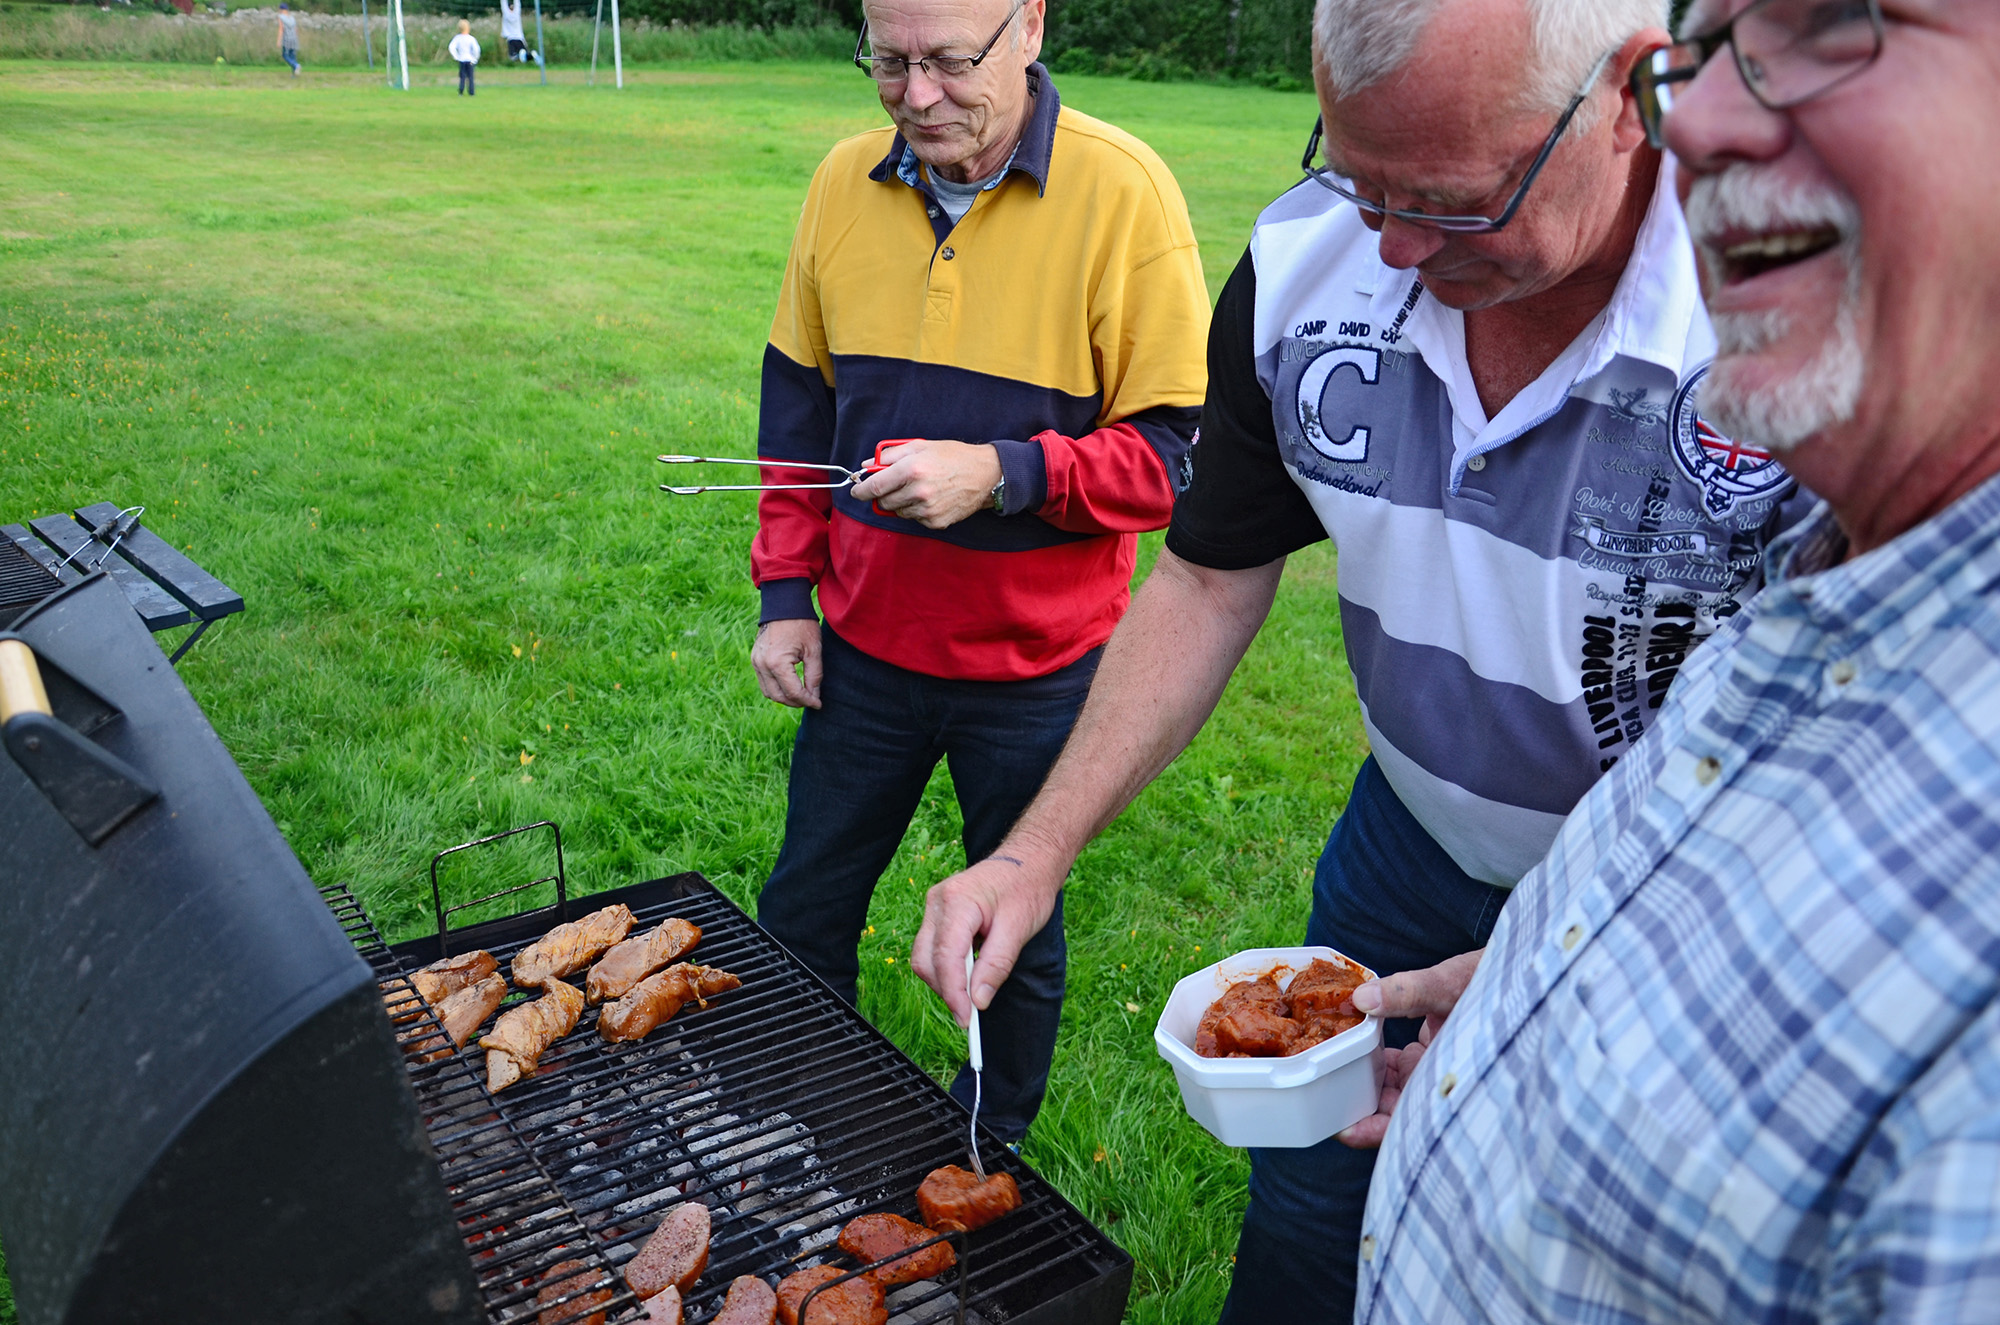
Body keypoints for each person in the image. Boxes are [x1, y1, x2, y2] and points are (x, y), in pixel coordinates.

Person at [909, 0, 1812, 1315]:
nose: (1390, 245)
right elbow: (1208, 576)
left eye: (1450, 201)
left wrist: (1593, 950)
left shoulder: (1791, 316)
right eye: (1354, 175)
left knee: (1588, 1251)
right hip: (1407, 853)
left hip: (1688, 903)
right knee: (1312, 1204)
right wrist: (1033, 851)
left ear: (1631, 95)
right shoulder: (1302, 269)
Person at [1347, 1, 2000, 1319]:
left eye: (1833, 21)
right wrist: (1549, 997)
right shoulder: (1835, 580)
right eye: (1708, 49)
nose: (1691, 125)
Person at [750, 0, 1208, 1144]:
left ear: (1028, 28)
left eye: (951, 62)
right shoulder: (840, 182)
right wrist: (785, 593)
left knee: (1012, 928)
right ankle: (798, 1123)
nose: (916, 97)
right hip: (864, 648)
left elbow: (1177, 457)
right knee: (803, 903)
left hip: (1038, 669)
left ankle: (985, 1146)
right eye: (888, 61)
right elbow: (797, 406)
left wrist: (1003, 473)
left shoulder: (1123, 192)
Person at [449, 21, 480, 97]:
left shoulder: (457, 38)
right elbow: (476, 49)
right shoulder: (471, 38)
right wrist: (475, 58)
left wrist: (456, 56)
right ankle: (471, 92)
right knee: (470, 77)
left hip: (461, 59)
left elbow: (451, 47)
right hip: (470, 60)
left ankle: (461, 92)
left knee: (462, 77)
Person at [499, 0, 529, 64]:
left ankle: (519, 56)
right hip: (519, 38)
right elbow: (517, 4)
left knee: (512, 56)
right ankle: (532, 55)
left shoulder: (506, 14)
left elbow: (503, 4)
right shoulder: (516, 14)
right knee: (525, 55)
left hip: (511, 39)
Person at [276, 2, 300, 77]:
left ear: (281, 9)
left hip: (286, 39)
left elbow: (281, 29)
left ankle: (296, 65)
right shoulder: (292, 18)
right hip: (294, 39)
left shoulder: (280, 17)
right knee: (293, 56)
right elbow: (296, 29)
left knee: (285, 55)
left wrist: (279, 41)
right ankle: (294, 75)